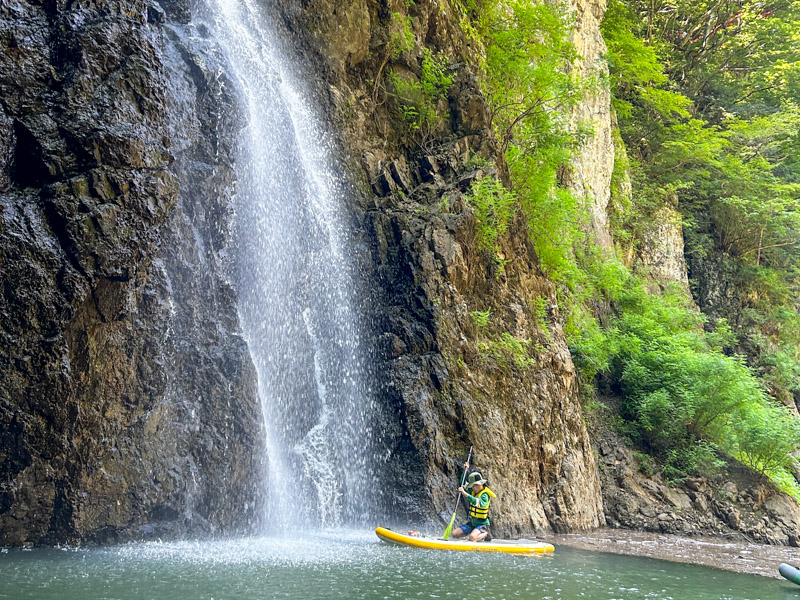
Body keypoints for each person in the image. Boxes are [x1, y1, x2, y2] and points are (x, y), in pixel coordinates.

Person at [451, 469, 496, 542]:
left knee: (472, 538)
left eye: (476, 485)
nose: (474, 487)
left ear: (481, 484)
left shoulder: (485, 495)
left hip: (482, 524)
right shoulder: (473, 492)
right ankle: (472, 533)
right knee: (454, 534)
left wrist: (465, 493)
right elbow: (463, 484)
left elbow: (478, 503)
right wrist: (465, 470)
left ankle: (486, 534)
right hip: (472, 523)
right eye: (473, 486)